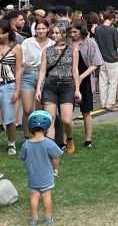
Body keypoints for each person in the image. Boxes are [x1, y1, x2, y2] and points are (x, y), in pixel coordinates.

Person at [36, 23, 78, 152]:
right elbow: (42, 71)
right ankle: (51, 147)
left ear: (64, 34)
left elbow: (75, 70)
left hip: (67, 85)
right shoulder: (47, 50)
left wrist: (77, 89)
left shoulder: (73, 50)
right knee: (50, 119)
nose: (54, 35)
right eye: (53, 33)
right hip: (50, 85)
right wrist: (38, 88)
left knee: (66, 120)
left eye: (57, 33)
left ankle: (69, 139)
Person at [20, 110, 62, 226]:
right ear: (47, 127)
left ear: (30, 128)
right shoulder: (49, 143)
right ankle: (49, 219)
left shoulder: (26, 144)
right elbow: (56, 157)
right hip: (46, 176)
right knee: (46, 196)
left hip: (33, 177)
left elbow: (22, 157)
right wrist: (56, 169)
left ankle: (34, 219)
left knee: (34, 196)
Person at [69, 23, 103, 149]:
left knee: (86, 111)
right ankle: (68, 137)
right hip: (69, 79)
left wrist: (82, 76)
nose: (72, 35)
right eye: (70, 32)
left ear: (81, 32)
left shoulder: (90, 43)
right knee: (67, 110)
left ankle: (88, 139)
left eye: (75, 32)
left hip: (86, 79)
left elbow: (96, 63)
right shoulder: (68, 44)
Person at [20, 20, 52, 139]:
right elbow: (20, 58)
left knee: (40, 110)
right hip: (28, 75)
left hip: (45, 76)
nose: (41, 31)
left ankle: (39, 136)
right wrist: (24, 63)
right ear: (35, 29)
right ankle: (27, 136)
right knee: (27, 109)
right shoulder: (27, 42)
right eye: (38, 28)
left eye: (43, 28)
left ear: (48, 29)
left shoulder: (52, 43)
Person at [1, 19, 23, 155]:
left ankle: (11, 143)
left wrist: (17, 89)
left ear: (8, 33)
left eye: (2, 33)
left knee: (9, 118)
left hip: (8, 85)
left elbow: (19, 69)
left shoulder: (16, 47)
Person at [93, 11, 118, 112]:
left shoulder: (97, 29)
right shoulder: (113, 30)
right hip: (113, 58)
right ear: (112, 19)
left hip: (101, 58)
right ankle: (110, 103)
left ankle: (103, 103)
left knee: (103, 81)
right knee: (113, 82)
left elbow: (96, 43)